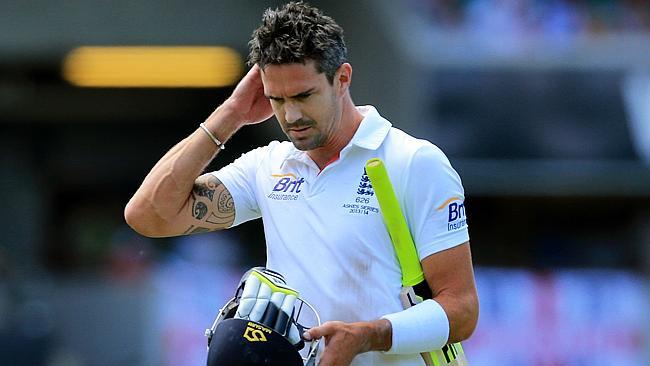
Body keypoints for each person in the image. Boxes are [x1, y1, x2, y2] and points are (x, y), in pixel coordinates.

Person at [124, 2, 478, 365]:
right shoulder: (268, 165)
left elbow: (462, 310)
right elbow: (149, 215)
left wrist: (367, 335)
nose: (291, 116)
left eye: (303, 96)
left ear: (342, 79)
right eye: (276, 99)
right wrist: (231, 114)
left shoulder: (414, 161)